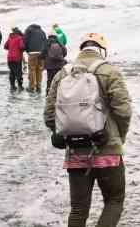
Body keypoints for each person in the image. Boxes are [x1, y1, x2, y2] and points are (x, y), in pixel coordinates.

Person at [44, 33, 132, 227]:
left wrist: (69, 135)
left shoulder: (63, 73)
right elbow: (124, 111)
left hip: (76, 153)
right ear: (102, 50)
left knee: (78, 209)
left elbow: (50, 114)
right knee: (114, 201)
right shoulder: (109, 71)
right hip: (107, 150)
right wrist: (119, 138)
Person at [41, 30, 67, 96]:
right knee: (59, 80)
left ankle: (48, 94)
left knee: (50, 80)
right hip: (59, 65)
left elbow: (42, 54)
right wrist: (60, 57)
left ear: (48, 36)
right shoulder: (59, 42)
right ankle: (59, 94)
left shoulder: (46, 43)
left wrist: (45, 59)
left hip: (49, 66)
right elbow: (65, 52)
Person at [24, 24, 47, 93]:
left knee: (32, 70)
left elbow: (25, 41)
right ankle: (38, 87)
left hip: (32, 53)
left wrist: (27, 50)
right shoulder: (42, 32)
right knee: (39, 70)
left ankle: (32, 87)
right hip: (41, 53)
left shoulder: (28, 31)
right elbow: (45, 42)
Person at [4, 27, 25, 91]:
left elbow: (5, 46)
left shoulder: (10, 38)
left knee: (12, 72)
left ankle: (12, 86)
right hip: (17, 58)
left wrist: (11, 48)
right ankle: (20, 86)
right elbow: (21, 47)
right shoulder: (19, 38)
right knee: (18, 72)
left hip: (10, 58)